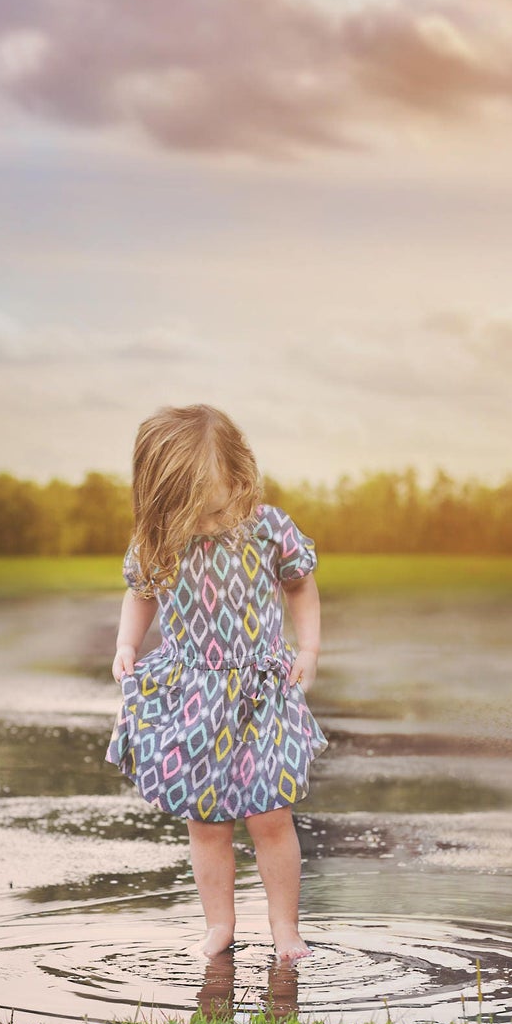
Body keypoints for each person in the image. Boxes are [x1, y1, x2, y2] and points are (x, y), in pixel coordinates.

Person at [105, 403, 328, 965]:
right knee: (206, 822)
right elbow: (141, 592)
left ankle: (284, 927)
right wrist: (127, 644)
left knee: (271, 815)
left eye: (216, 504)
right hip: (194, 697)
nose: (206, 521)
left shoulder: (268, 529)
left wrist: (308, 648)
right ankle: (219, 925)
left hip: (261, 693)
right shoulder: (160, 537)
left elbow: (300, 585)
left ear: (240, 474)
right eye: (190, 507)